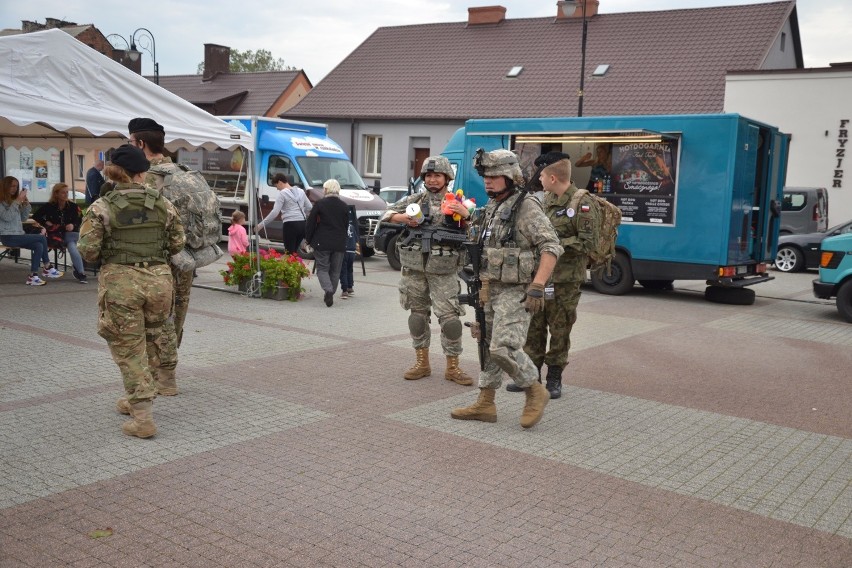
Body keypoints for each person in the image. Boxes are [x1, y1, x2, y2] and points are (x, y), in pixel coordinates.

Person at [77, 144, 185, 438]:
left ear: (114, 172)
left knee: (129, 349)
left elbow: (87, 251)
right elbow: (177, 244)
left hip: (122, 284)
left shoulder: (101, 206)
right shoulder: (163, 204)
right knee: (151, 342)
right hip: (160, 282)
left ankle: (142, 419)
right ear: (141, 173)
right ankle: (136, 398)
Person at [450, 149, 562, 429]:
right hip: (488, 288)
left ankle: (535, 390)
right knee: (487, 346)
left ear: (510, 177)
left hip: (516, 290)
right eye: (486, 176)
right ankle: (486, 403)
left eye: (495, 176)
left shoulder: (526, 207)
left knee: (504, 347)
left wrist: (537, 285)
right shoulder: (493, 207)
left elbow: (551, 246)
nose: (488, 182)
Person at [511, 152, 597, 400]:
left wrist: (554, 243)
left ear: (551, 177)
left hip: (566, 281)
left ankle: (554, 378)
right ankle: (532, 378)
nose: (539, 180)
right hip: (541, 278)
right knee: (534, 329)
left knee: (560, 330)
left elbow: (587, 243)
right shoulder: (545, 200)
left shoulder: (582, 203)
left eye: (541, 176)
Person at [380, 156, 474, 385]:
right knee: (417, 317)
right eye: (429, 176)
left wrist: (466, 214)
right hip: (414, 269)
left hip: (444, 271)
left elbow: (476, 230)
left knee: (450, 320)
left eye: (437, 176)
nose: (432, 180)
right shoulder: (415, 200)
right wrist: (406, 219)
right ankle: (422, 363)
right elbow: (386, 215)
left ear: (447, 178)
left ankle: (453, 367)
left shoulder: (458, 202)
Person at [128, 117, 186, 396]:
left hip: (154, 263)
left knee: (153, 322)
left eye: (131, 142)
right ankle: (169, 379)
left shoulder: (143, 177)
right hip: (185, 258)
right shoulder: (182, 172)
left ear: (141, 144)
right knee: (176, 318)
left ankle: (150, 380)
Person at [0, 176, 63, 286]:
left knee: (38, 245)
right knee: (41, 237)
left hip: (18, 235)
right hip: (8, 236)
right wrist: (18, 201)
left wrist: (25, 204)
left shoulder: (14, 202)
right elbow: (7, 217)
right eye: (12, 186)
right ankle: (47, 266)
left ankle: (33, 276)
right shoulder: (1, 202)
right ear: (5, 187)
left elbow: (23, 218)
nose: (15, 189)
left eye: (16, 186)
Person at [305, 179, 349, 307]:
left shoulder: (320, 204)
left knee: (323, 269)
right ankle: (331, 292)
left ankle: (328, 290)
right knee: (335, 271)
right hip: (339, 243)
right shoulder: (344, 206)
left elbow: (311, 223)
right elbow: (346, 225)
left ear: (326, 190)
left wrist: (308, 239)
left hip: (322, 242)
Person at [33, 183, 88, 283]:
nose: (66, 194)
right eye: (63, 192)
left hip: (69, 234)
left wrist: (73, 225)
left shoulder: (73, 206)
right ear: (56, 194)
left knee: (72, 244)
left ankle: (81, 272)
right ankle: (80, 273)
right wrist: (46, 222)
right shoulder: (49, 206)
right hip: (55, 235)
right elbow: (36, 216)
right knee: (72, 244)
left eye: (67, 192)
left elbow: (79, 220)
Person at [255, 173, 312, 255]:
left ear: (280, 182)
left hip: (290, 224)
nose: (277, 189)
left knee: (289, 252)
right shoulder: (301, 191)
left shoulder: (282, 193)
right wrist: (301, 213)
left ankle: (291, 267)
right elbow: (309, 207)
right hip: (302, 224)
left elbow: (275, 212)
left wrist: (260, 225)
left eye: (276, 186)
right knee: (294, 252)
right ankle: (296, 267)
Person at [339, 205, 357, 299]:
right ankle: (350, 287)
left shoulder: (340, 226)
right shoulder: (352, 226)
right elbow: (356, 238)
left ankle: (344, 290)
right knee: (350, 269)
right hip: (352, 250)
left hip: (344, 250)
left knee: (343, 270)